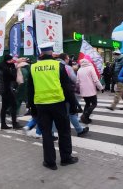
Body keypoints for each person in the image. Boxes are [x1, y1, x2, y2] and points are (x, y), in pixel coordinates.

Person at [28, 42, 78, 170]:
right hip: (58, 104)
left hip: (41, 105)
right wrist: (73, 105)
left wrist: (32, 108)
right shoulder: (58, 66)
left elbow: (30, 90)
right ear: (52, 52)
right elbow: (67, 88)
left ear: (41, 52)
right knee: (64, 131)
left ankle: (50, 162)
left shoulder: (33, 67)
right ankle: (66, 158)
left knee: (46, 133)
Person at [0, 55, 23, 129]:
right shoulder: (5, 69)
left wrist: (15, 62)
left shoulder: (1, 66)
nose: (12, 60)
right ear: (7, 60)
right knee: (14, 105)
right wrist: (16, 68)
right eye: (10, 59)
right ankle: (14, 124)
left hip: (2, 89)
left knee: (4, 107)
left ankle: (3, 124)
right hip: (6, 89)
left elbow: (11, 64)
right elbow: (13, 77)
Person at [77, 58, 104, 124]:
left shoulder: (79, 70)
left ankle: (86, 118)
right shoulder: (90, 68)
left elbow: (77, 81)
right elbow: (95, 80)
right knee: (94, 104)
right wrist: (101, 88)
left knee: (87, 103)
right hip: (91, 89)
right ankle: (85, 115)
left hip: (83, 90)